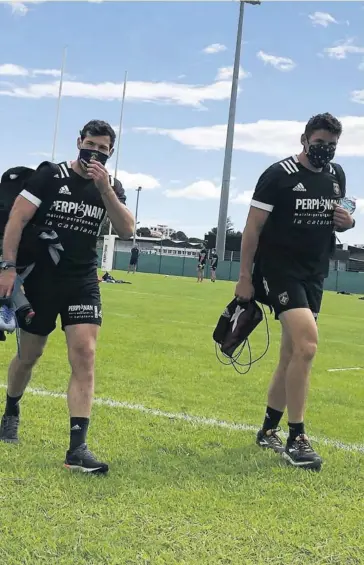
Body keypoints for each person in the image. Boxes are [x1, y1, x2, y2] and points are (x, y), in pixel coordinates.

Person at [0, 120, 134, 474]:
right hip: (40, 281)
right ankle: (12, 408)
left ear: (110, 152)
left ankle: (77, 448)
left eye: (102, 149)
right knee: (29, 356)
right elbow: (16, 219)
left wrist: (105, 189)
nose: (94, 152)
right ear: (79, 142)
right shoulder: (50, 176)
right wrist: (7, 267)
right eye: (90, 144)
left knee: (85, 354)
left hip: (81, 281)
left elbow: (127, 230)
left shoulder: (110, 186)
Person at [235, 113, 355, 471]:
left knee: (291, 354)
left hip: (314, 273)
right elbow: (252, 229)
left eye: (331, 145)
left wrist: (349, 222)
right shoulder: (278, 176)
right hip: (279, 270)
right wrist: (245, 277)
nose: (325, 150)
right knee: (307, 345)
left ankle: (268, 430)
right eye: (319, 143)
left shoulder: (337, 176)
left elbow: (342, 216)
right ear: (304, 139)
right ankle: (297, 437)